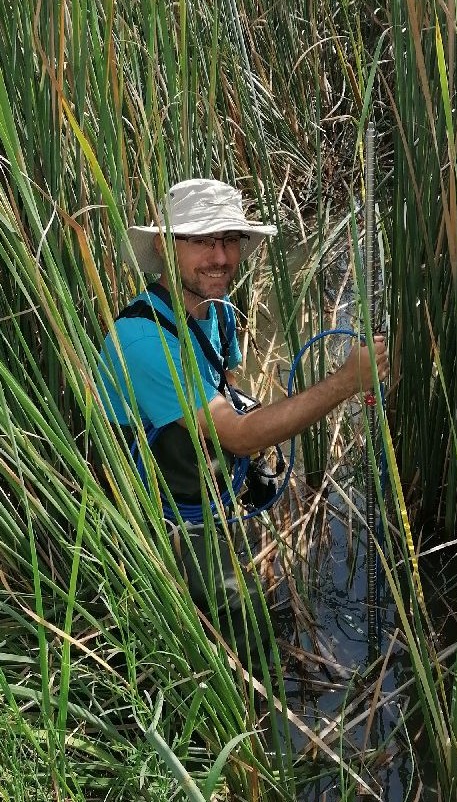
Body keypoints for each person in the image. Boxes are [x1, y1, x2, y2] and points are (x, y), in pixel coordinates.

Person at [97, 178, 389, 671]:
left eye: (229, 239)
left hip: (200, 478)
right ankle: (249, 709)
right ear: (164, 247)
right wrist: (342, 384)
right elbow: (237, 432)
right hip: (158, 508)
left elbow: (228, 386)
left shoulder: (217, 309)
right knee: (245, 616)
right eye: (202, 240)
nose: (220, 256)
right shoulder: (143, 341)